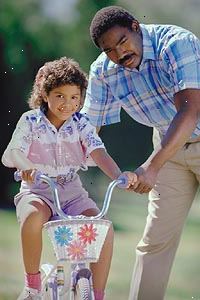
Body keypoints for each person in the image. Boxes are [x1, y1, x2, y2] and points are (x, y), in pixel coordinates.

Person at [81, 5, 200, 300]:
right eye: (110, 50)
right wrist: (52, 159)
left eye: (122, 41)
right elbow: (86, 130)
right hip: (169, 147)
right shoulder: (104, 71)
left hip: (174, 142)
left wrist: (152, 166)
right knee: (154, 243)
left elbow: (190, 110)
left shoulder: (175, 43)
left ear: (135, 26)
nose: (119, 54)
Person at [1, 56, 137, 300]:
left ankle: (96, 294)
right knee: (32, 216)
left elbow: (98, 151)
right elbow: (13, 152)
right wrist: (27, 166)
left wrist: (118, 176)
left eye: (75, 97)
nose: (68, 104)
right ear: (45, 94)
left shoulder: (82, 123)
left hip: (72, 191)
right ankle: (32, 286)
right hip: (37, 189)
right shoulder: (31, 121)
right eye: (60, 96)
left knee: (102, 228)